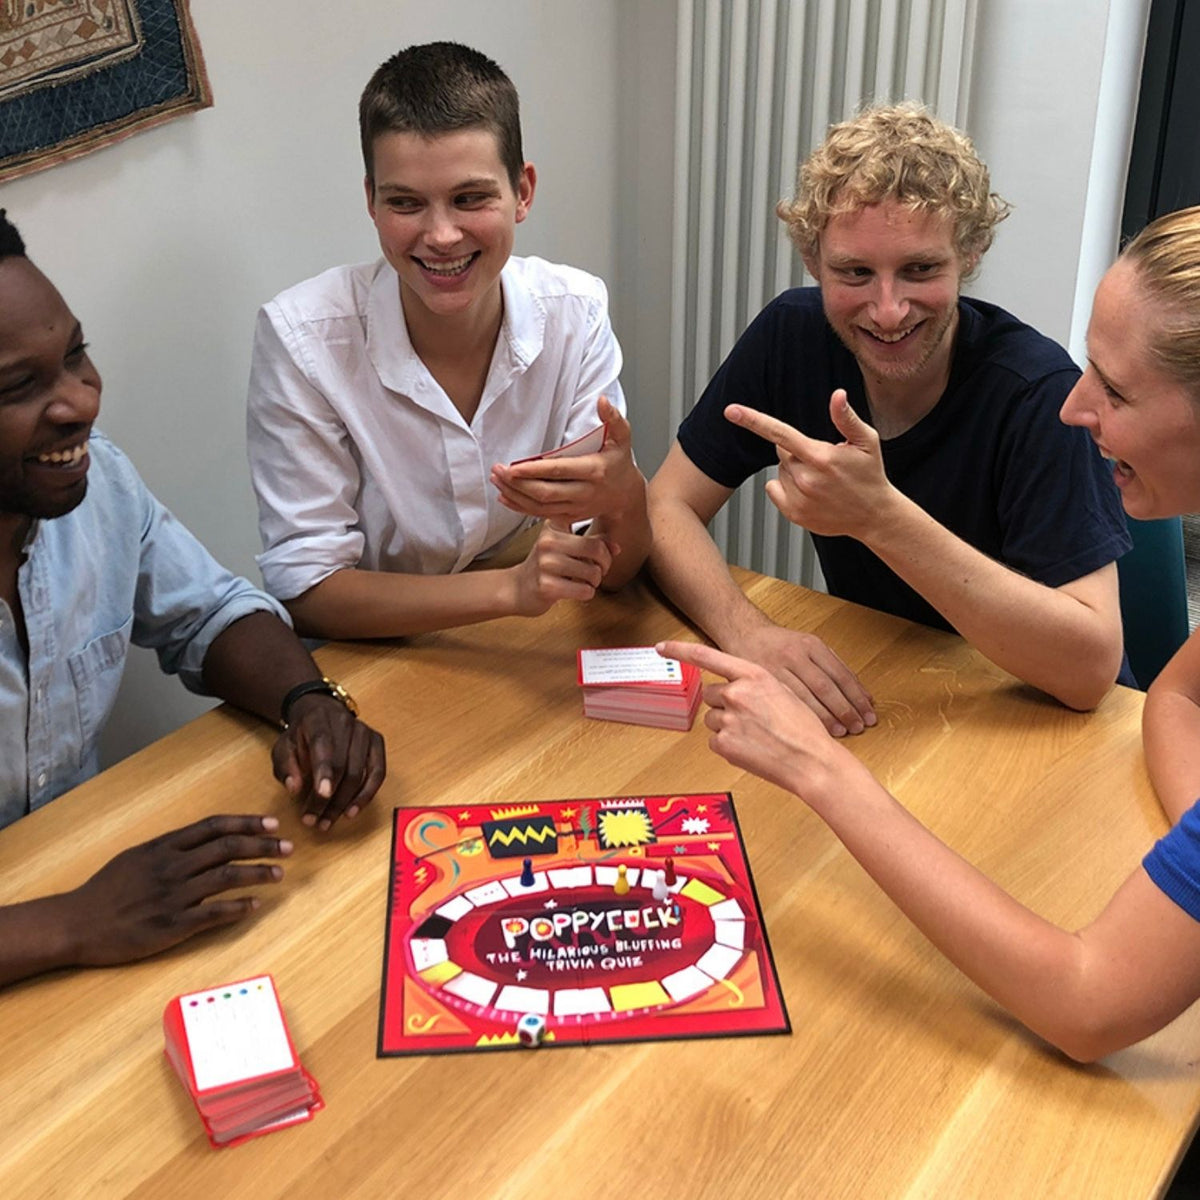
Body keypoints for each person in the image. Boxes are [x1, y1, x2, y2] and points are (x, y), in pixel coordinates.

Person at [660, 204, 1200, 1063]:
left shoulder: (1021, 389)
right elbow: (1176, 692)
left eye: (1117, 388)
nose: (1075, 406)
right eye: (853, 274)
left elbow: (1089, 1007)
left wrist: (816, 763)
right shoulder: (794, 338)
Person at [647, 103, 1131, 737]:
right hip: (892, 691)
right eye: (855, 272)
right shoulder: (791, 336)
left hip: (1037, 720)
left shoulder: (1037, 395)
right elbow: (665, 506)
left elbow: (1092, 670)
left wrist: (880, 517)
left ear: (971, 252)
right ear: (813, 260)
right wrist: (748, 633)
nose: (888, 310)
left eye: (921, 269)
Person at [0, 213, 386, 988]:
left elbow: (211, 615)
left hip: (82, 914)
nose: (81, 401)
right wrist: (71, 923)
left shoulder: (97, 482)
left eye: (77, 355)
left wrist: (309, 701)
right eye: (19, 386)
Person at [247, 41, 650, 640]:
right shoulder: (304, 340)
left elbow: (610, 569)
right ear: (371, 202)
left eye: (470, 198)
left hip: (520, 631)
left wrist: (625, 495)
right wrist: (509, 589)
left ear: (523, 191)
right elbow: (308, 590)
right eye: (406, 202)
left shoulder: (575, 311)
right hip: (371, 645)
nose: (440, 235)